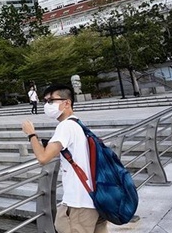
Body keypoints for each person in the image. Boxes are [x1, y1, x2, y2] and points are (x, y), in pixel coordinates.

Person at [21, 84, 107, 233]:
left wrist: (31, 134)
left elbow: (43, 158)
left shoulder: (65, 127)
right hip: (95, 199)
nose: (47, 105)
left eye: (51, 101)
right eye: (46, 101)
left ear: (66, 103)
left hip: (79, 203)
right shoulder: (78, 124)